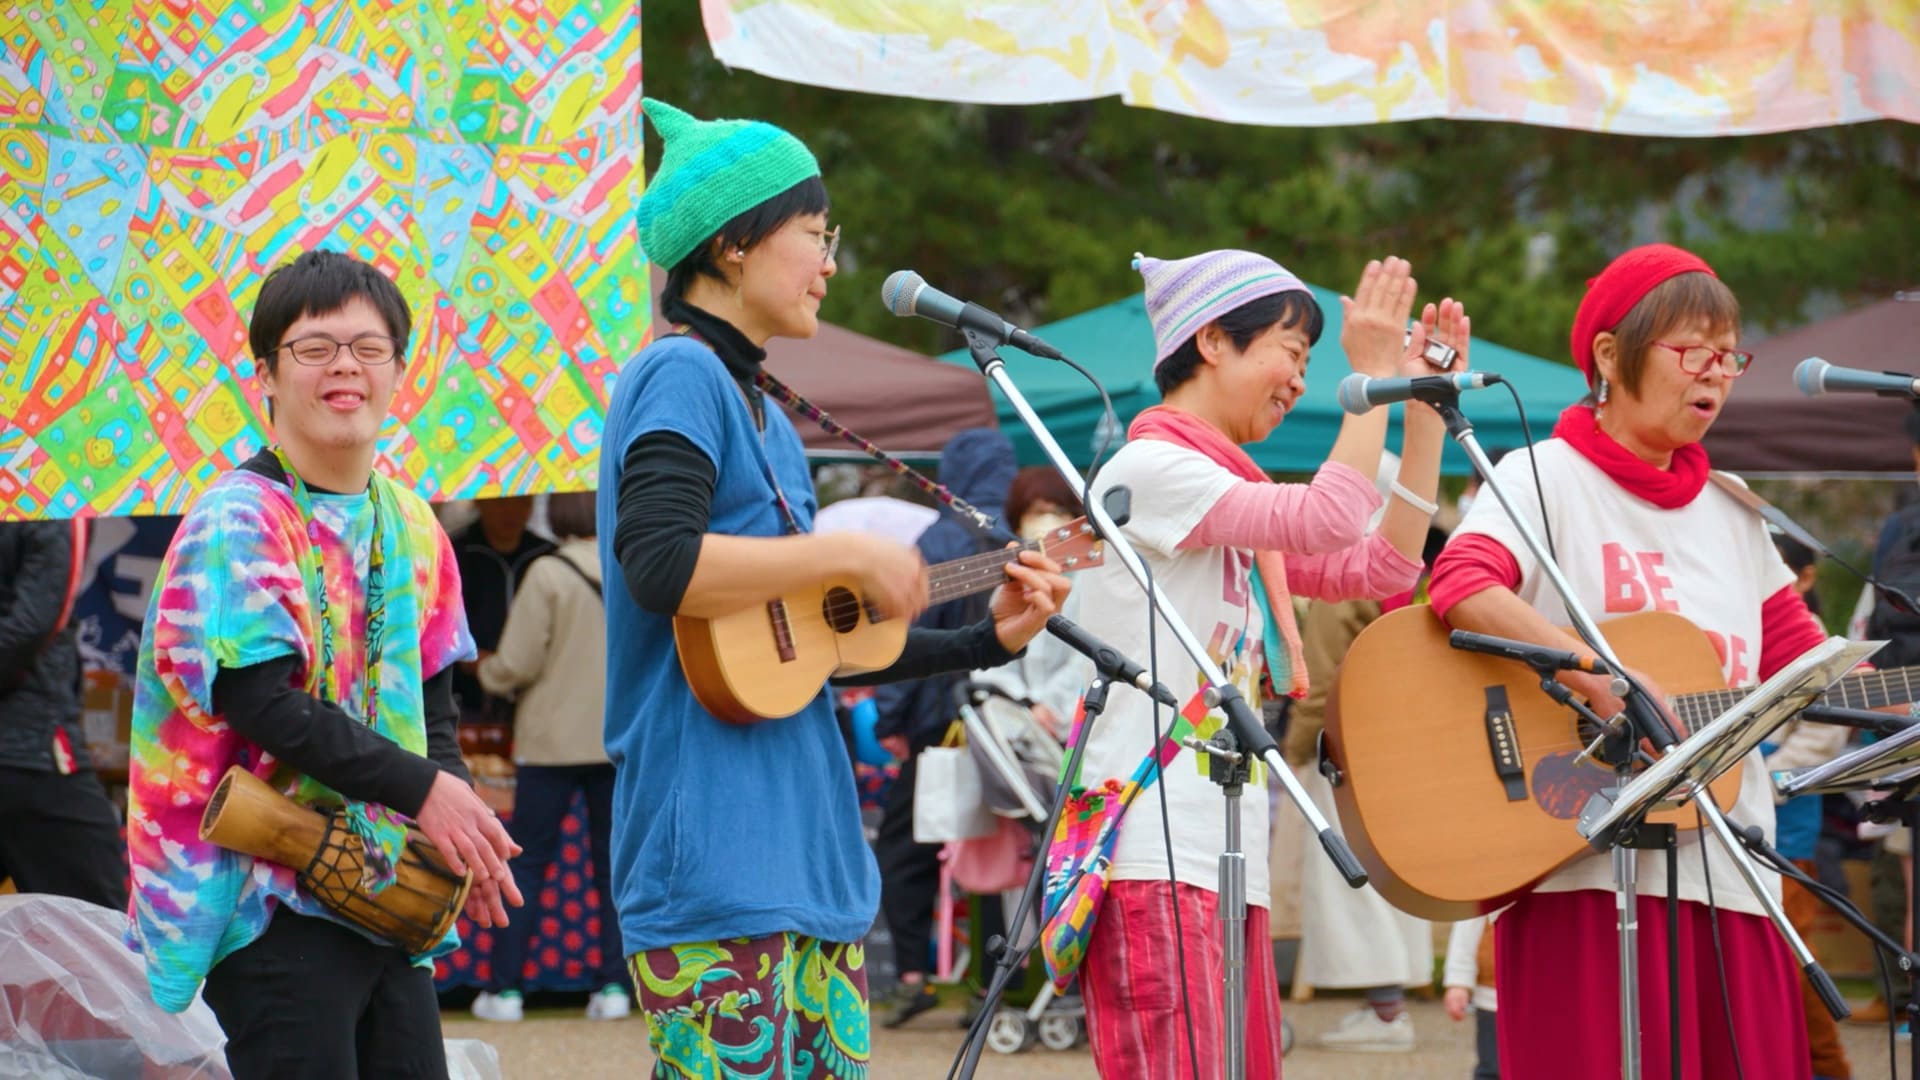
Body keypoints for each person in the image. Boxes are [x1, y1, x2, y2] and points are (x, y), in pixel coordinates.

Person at [602, 98, 1071, 1078]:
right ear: (732, 244)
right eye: (815, 234)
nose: (829, 262)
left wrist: (988, 636)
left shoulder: (769, 414)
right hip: (715, 853)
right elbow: (659, 563)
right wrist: (838, 557)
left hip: (810, 862)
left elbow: (815, 648)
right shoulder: (680, 373)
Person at [125, 250, 523, 1079]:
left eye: (368, 347)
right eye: (314, 348)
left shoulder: (411, 522)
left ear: (399, 371)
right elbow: (258, 699)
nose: (345, 365)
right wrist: (425, 790)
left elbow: (433, 707)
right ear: (266, 375)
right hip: (269, 896)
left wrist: (459, 836)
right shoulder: (238, 518)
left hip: (388, 893)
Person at [1429, 242, 1820, 1078]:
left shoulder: (1735, 512)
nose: (1715, 374)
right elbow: (1461, 584)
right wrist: (1599, 678)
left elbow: (1813, 664)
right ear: (1611, 355)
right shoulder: (1543, 477)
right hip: (1577, 865)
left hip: (1730, 867)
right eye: (1693, 351)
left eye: (1729, 356)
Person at [1069, 249, 1460, 1078]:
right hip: (1153, 847)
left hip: (1216, 848)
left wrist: (1422, 409)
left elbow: (1383, 566)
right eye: (1292, 352)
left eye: (1311, 363)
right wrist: (1371, 377)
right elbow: (1329, 518)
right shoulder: (1152, 469)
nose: (1300, 381)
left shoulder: (1218, 488)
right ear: (1213, 340)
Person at [869, 427, 1017, 1027]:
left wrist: (889, 717)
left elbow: (901, 635)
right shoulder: (1020, 536)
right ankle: (994, 981)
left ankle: (912, 976)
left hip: (937, 724)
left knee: (906, 846)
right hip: (1008, 723)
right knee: (996, 850)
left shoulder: (937, 540)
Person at [469, 490, 632, 1023]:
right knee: (612, 868)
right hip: (615, 740)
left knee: (528, 863)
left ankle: (506, 991)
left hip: (548, 744)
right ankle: (614, 987)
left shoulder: (547, 572)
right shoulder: (629, 567)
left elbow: (517, 663)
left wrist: (485, 670)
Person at [0, 517, 128, 911]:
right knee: (99, 923)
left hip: (27, 742)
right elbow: (33, 625)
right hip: (31, 747)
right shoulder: (51, 503)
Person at [1762, 533, 1853, 1080]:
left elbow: (1822, 738)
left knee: (1791, 956)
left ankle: (1830, 1069)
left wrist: (1758, 779)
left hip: (1786, 827)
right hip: (1725, 818)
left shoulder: (1812, 637)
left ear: (1806, 577)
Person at [452, 495, 555, 725]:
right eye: (501, 503)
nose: (512, 511)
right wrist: (468, 658)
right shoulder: (454, 553)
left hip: (535, 696)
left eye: (523, 502)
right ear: (480, 501)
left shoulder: (548, 556)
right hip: (467, 701)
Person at [1442, 915, 1500, 1079]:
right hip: (1492, 998)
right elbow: (1468, 923)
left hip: (1548, 997)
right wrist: (1459, 981)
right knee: (1492, 1067)